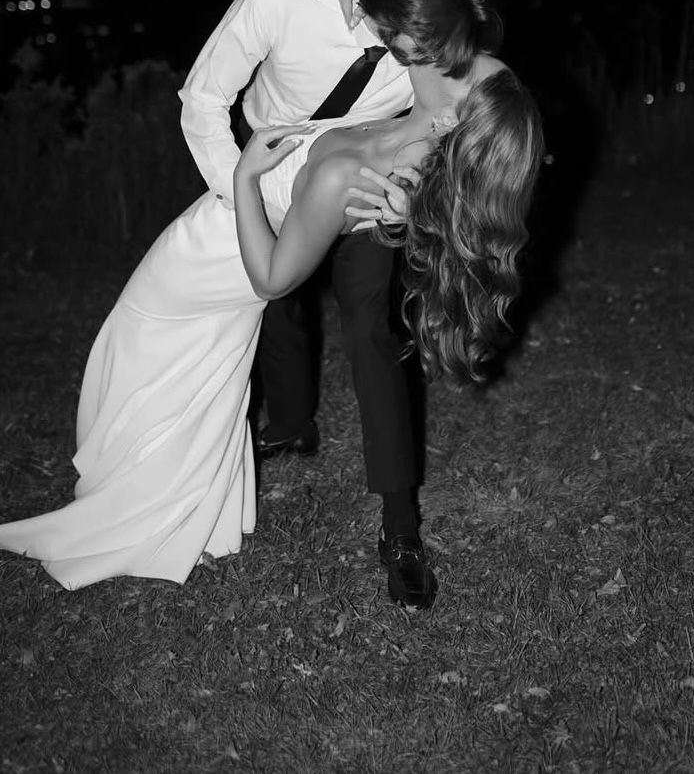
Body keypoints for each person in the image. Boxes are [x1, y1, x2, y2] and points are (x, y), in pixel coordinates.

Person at [0, 50, 545, 599]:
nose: (452, 51)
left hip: (211, 261)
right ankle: (157, 503)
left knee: (138, 344)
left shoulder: (354, 178)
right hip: (213, 254)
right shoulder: (407, 137)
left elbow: (272, 280)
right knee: (180, 381)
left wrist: (244, 175)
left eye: (463, 67)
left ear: (451, 117)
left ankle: (124, 510)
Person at [176, 0, 503, 608]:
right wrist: (238, 194)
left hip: (360, 177)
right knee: (273, 301)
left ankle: (401, 529)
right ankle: (292, 424)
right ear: (378, 13)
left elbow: (460, 113)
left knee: (370, 329)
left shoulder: (426, 40)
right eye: (420, 49)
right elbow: (202, 100)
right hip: (267, 170)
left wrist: (405, 204)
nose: (432, 63)